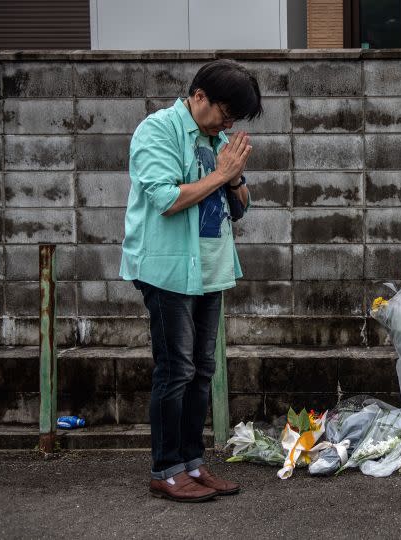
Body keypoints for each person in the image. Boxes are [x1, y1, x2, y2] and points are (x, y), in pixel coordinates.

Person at [120, 59, 262, 502]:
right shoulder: (157, 130)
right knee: (175, 370)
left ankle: (193, 464)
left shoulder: (216, 139)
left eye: (235, 118)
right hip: (169, 270)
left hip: (211, 269)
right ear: (198, 96)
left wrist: (234, 177)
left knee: (202, 371)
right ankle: (165, 469)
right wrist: (220, 174)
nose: (228, 123)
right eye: (225, 111)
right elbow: (164, 198)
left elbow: (240, 208)